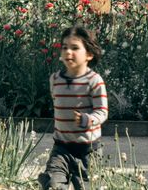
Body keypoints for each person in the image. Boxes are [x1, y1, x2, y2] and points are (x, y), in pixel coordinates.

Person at [38, 25, 108, 190]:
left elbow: (102, 112)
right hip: (61, 148)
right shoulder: (55, 79)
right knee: (53, 185)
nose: (68, 52)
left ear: (89, 54)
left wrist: (87, 119)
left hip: (88, 151)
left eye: (75, 48)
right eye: (64, 47)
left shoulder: (94, 81)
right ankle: (50, 180)